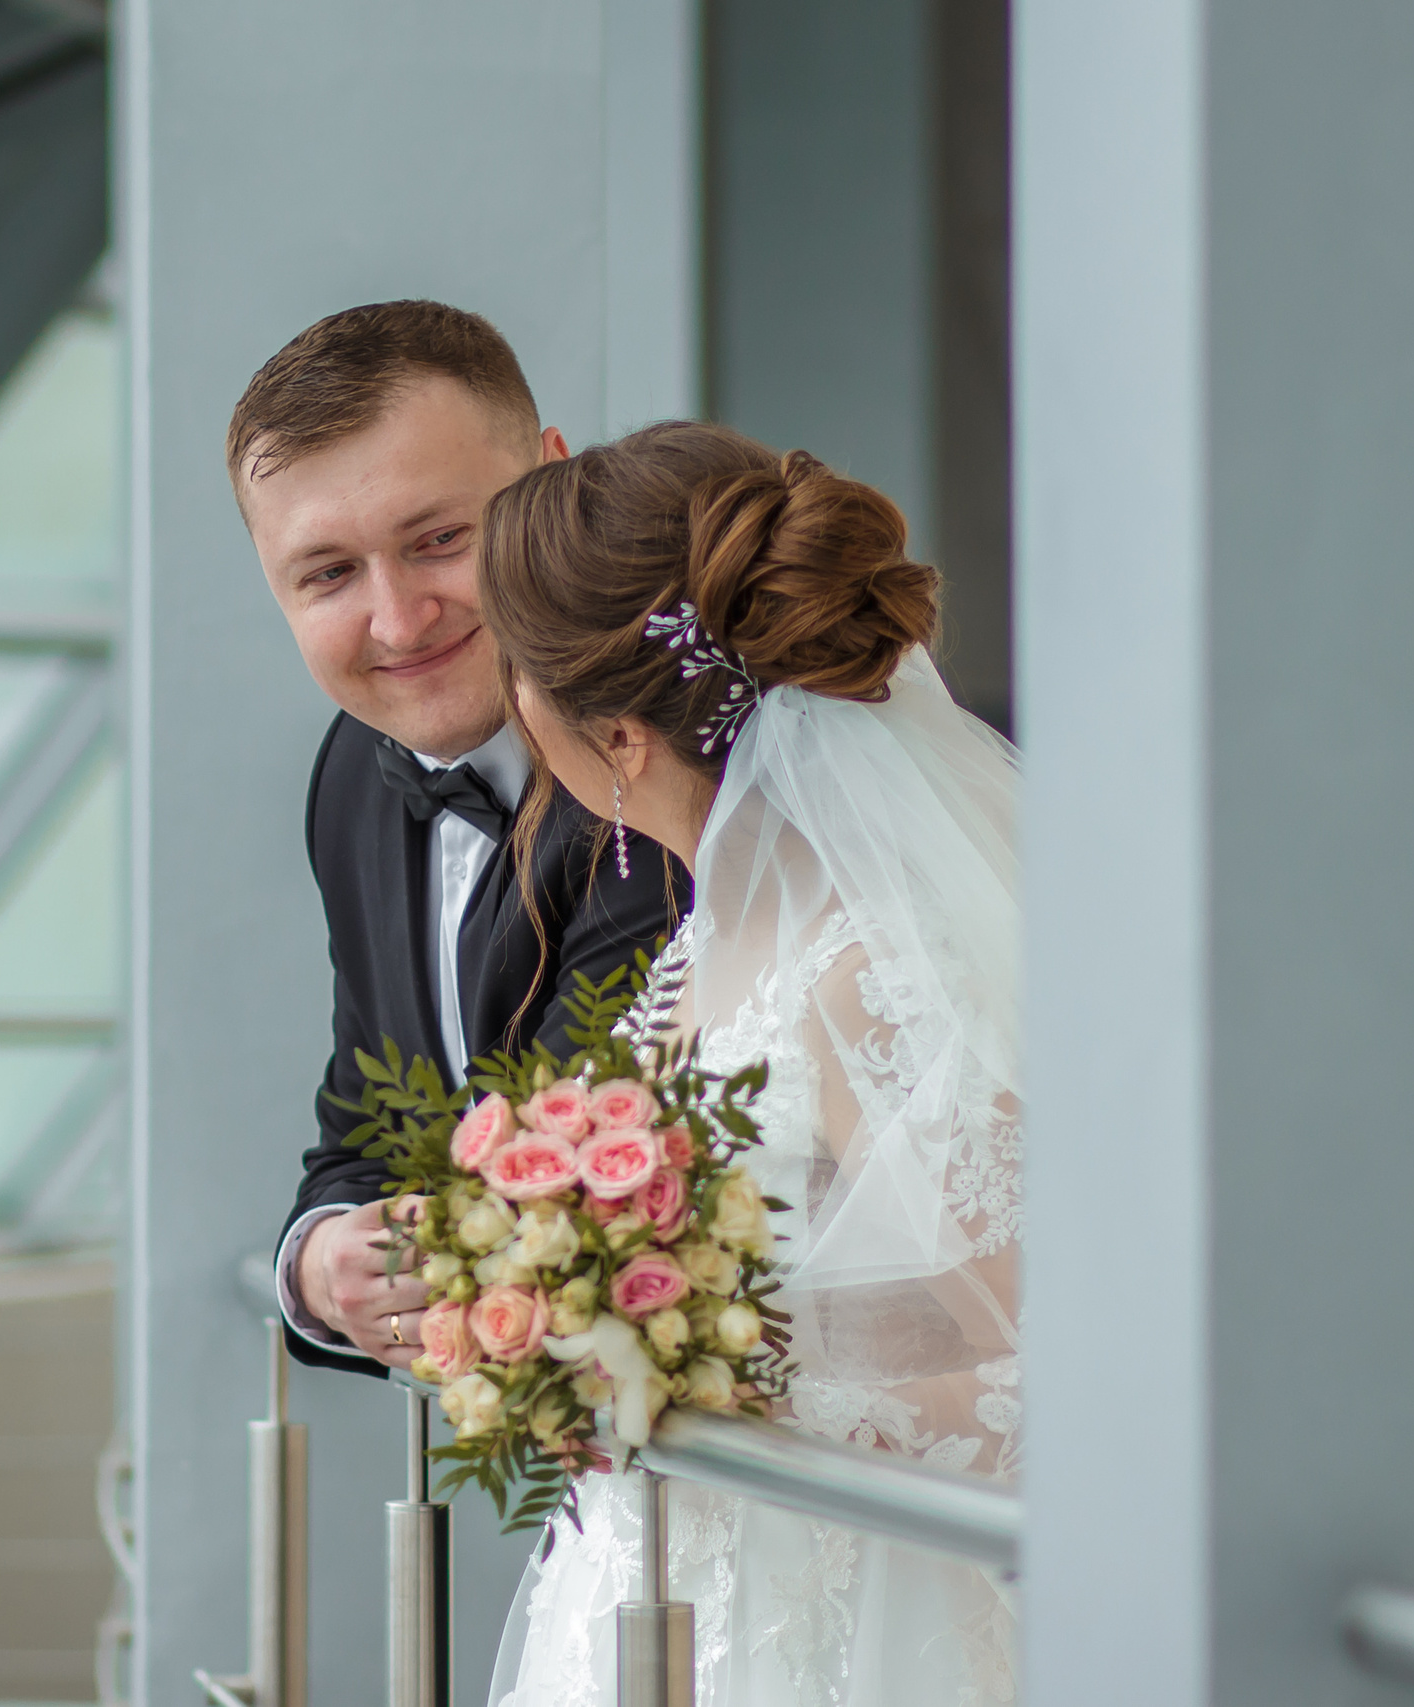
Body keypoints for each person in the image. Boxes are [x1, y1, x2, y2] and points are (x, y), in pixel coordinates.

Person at [475, 422, 1023, 1704]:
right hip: (653, 1584)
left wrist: (742, 1398)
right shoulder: (706, 939)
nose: (513, 709)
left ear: (620, 738)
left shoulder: (867, 976)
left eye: (518, 672)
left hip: (837, 1620)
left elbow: (1049, 1366)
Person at [227, 302, 689, 1377]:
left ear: (554, 477)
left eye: (439, 541)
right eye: (328, 573)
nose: (398, 622)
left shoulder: (670, 767)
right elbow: (369, 1125)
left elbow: (563, 1195)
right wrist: (317, 1268)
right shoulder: (354, 771)